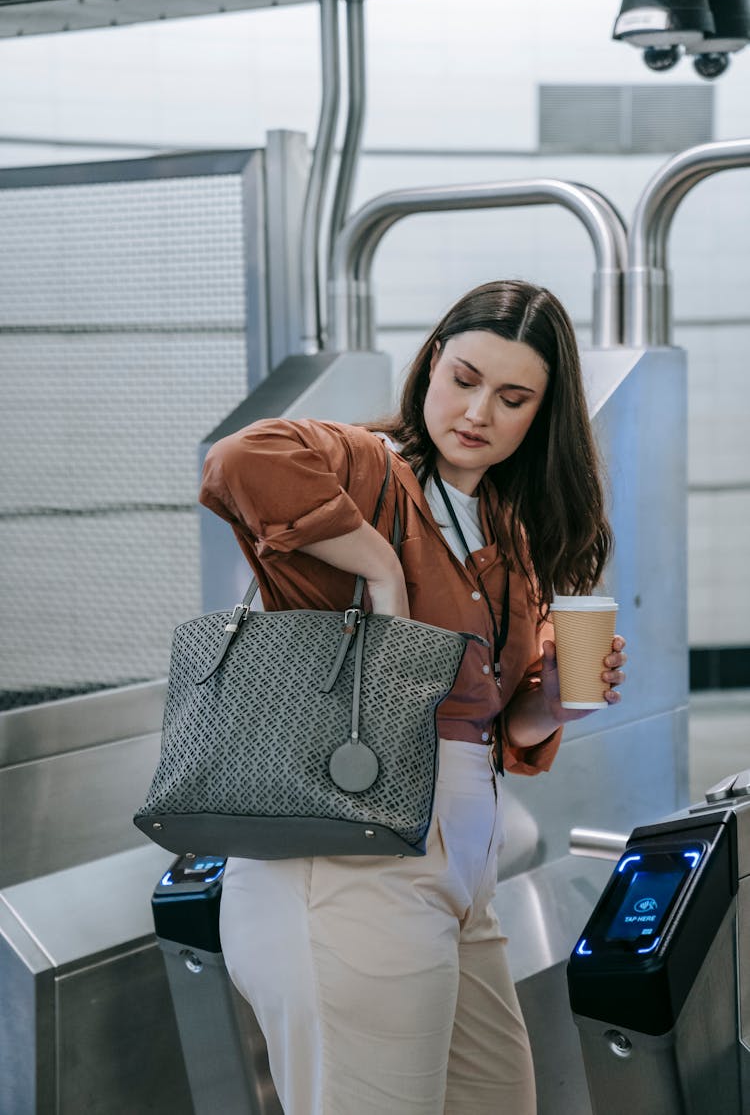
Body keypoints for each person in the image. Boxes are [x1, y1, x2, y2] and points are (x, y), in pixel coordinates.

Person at [199, 279, 627, 1115]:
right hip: (349, 864)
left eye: (512, 398)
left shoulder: (505, 528)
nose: (477, 412)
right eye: (463, 378)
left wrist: (558, 701)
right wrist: (379, 565)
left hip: (462, 876)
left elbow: (493, 725)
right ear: (431, 362)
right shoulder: (368, 467)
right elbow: (237, 458)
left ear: (541, 414)